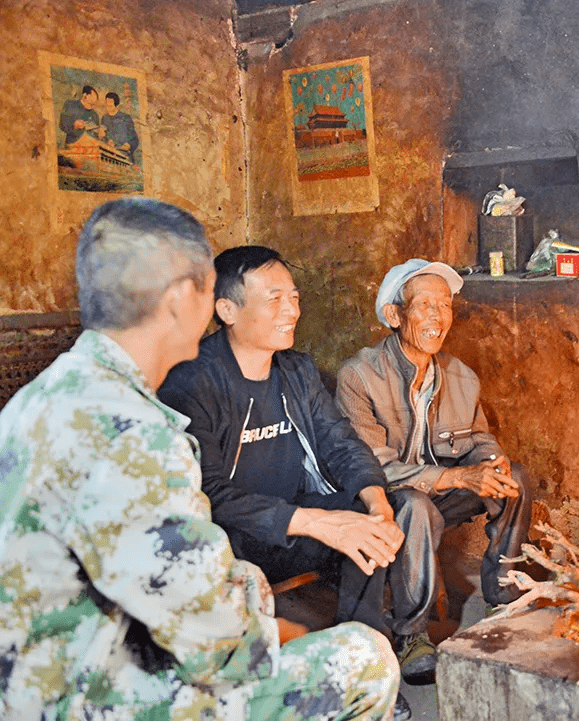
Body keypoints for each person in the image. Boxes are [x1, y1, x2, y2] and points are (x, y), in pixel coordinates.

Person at [0, 198, 398, 720]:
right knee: (364, 659)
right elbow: (218, 638)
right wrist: (268, 628)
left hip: (32, 681)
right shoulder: (136, 432)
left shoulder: (41, 397)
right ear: (184, 298)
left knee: (251, 583)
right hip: (92, 698)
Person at [157, 246, 419, 719]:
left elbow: (341, 443)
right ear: (227, 310)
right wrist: (319, 522)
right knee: (335, 528)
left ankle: (357, 665)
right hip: (229, 540)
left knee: (374, 523)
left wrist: (376, 505)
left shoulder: (295, 371)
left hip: (292, 525)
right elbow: (208, 494)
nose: (292, 310)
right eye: (274, 298)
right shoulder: (193, 383)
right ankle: (272, 685)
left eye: (294, 297)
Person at [335, 259, 534, 627]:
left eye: (444, 305)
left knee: (516, 479)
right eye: (425, 305)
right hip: (386, 501)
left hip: (438, 496)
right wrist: (460, 478)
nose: (438, 317)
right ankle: (413, 631)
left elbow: (478, 439)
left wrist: (494, 463)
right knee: (415, 505)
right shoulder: (359, 377)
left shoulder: (460, 375)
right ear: (395, 315)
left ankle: (504, 594)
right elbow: (375, 469)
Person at [100, 91, 140, 162]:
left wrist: (129, 146)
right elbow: (102, 137)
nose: (107, 108)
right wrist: (107, 141)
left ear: (117, 106)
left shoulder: (126, 119)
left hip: (124, 157)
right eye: (106, 105)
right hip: (109, 156)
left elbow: (135, 140)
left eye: (110, 106)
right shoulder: (104, 118)